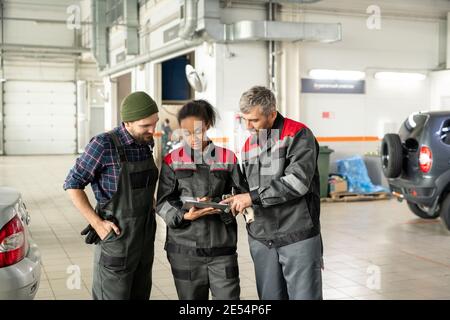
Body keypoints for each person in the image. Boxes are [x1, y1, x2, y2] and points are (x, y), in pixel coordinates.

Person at [221, 86, 323, 300]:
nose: (248, 127)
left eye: (254, 121)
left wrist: (252, 197)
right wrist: (230, 198)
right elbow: (246, 187)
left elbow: (297, 182)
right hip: (261, 237)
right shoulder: (249, 144)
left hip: (297, 233)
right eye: (244, 120)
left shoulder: (298, 134)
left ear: (272, 114)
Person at [63, 91, 159, 300]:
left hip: (144, 237)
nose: (153, 130)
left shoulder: (146, 142)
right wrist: (97, 224)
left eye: (155, 123)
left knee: (141, 294)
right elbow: (72, 184)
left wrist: (148, 199)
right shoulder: (103, 144)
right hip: (118, 238)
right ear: (128, 123)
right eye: (146, 126)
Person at [156, 99, 247, 300]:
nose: (192, 138)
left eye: (197, 131)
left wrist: (224, 204)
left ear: (206, 125)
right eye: (186, 133)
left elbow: (242, 196)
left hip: (221, 248)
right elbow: (162, 202)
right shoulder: (172, 160)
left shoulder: (227, 158)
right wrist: (184, 215)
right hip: (184, 250)